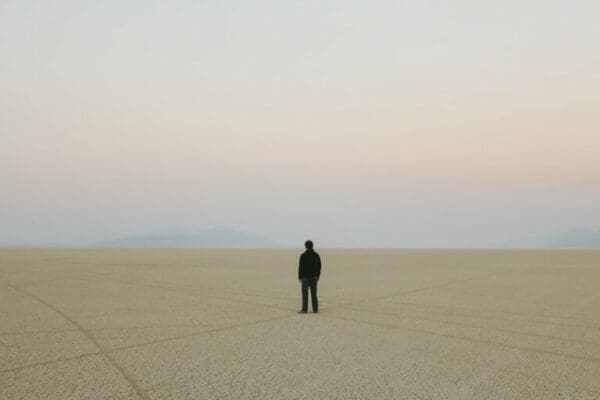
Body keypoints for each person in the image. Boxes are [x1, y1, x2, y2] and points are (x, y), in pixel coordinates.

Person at [298, 240, 321, 313]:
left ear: (305, 246)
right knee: (314, 294)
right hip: (314, 277)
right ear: (312, 246)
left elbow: (300, 267)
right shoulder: (316, 255)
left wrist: (300, 277)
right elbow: (319, 266)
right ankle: (315, 309)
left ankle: (304, 309)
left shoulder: (303, 255)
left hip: (305, 278)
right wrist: (318, 275)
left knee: (305, 294)